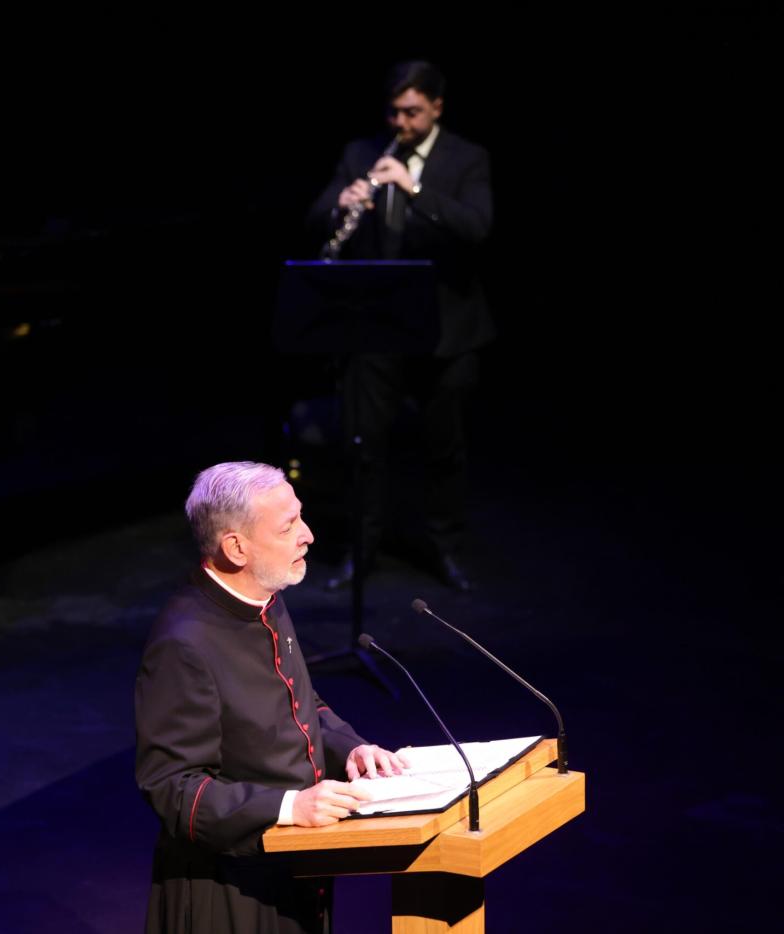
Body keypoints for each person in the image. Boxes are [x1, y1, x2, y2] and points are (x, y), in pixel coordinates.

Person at [135, 461, 407, 933]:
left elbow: (300, 703)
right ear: (236, 547)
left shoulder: (266, 595)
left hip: (297, 867)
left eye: (300, 517)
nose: (309, 535)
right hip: (229, 891)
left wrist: (352, 749)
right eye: (288, 527)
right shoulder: (183, 643)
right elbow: (173, 788)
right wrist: (288, 808)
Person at [307, 61, 493, 593]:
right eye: (394, 110)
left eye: (412, 111)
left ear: (436, 107)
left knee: (443, 447)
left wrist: (412, 189)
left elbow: (477, 227)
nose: (400, 122)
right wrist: (339, 205)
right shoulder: (360, 153)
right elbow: (316, 217)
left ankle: (445, 549)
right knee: (363, 444)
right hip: (375, 326)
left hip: (446, 329)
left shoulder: (467, 158)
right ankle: (360, 553)